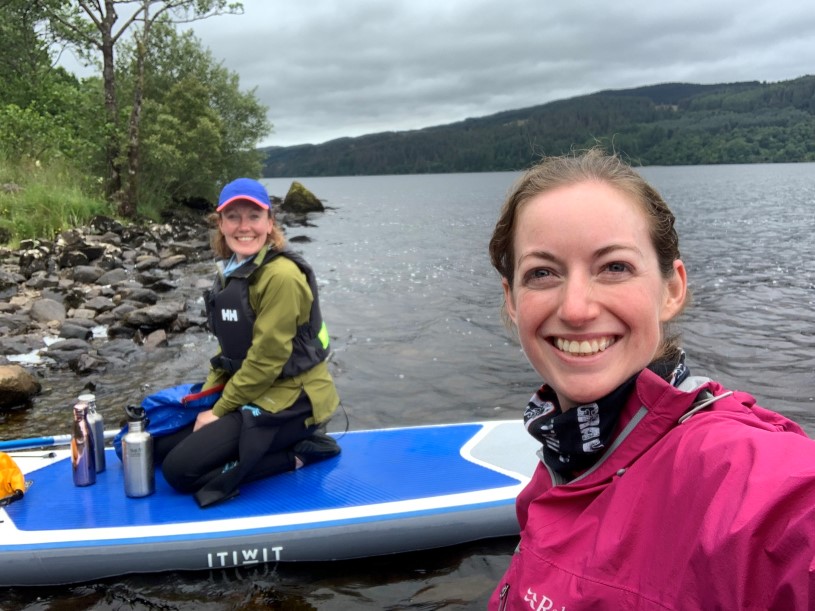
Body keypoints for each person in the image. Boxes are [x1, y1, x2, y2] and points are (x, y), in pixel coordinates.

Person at [488, 149, 815, 609]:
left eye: (615, 267)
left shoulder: (735, 468)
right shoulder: (559, 467)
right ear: (512, 300)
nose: (576, 308)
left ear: (672, 289)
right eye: (542, 273)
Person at [159, 177, 341, 508]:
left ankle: (300, 452)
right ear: (221, 225)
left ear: (270, 223)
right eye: (234, 217)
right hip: (255, 388)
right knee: (158, 448)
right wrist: (206, 399)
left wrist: (219, 410)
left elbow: (267, 361)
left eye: (254, 216)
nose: (245, 227)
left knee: (178, 472)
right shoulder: (233, 270)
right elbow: (230, 348)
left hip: (293, 399)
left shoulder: (281, 277)